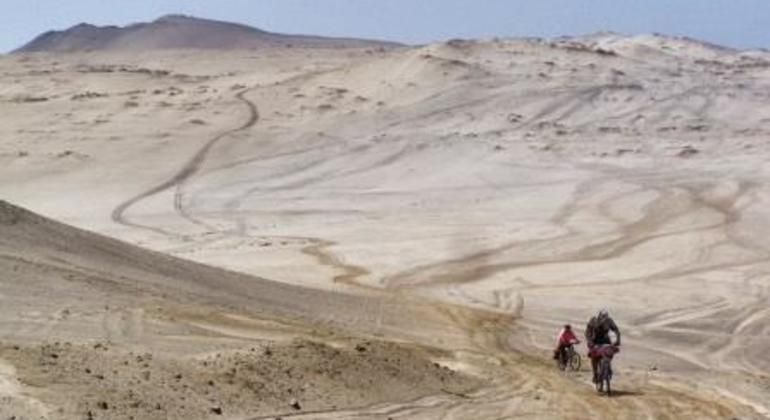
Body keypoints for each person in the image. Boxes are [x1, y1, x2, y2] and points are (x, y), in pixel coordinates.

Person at [585, 309, 621, 383]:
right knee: (594, 357)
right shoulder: (593, 320)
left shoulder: (609, 321)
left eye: (605, 317)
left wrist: (618, 339)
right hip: (594, 341)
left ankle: (607, 366)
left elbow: (616, 330)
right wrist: (589, 341)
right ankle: (595, 374)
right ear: (599, 316)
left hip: (605, 340)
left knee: (610, 351)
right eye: (603, 317)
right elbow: (587, 332)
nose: (604, 319)